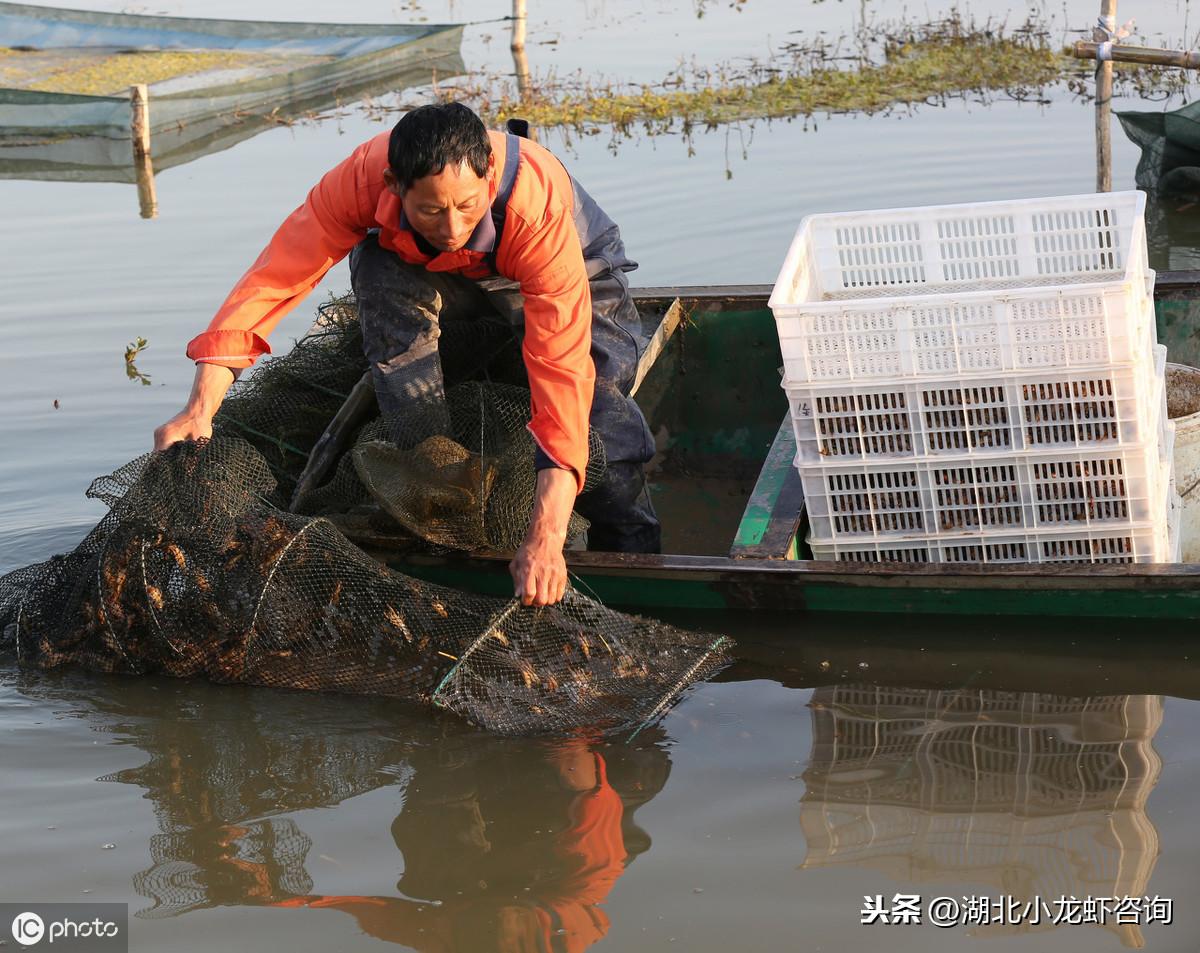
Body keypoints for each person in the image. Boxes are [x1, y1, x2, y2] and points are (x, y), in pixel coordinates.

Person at [154, 102, 660, 608]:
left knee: (601, 415)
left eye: (466, 206)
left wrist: (546, 538)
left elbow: (561, 374)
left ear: (486, 176)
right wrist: (200, 409)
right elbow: (275, 279)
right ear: (394, 185)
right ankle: (434, 492)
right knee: (378, 265)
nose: (452, 225)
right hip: (437, 275)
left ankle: (635, 561)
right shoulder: (358, 182)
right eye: (431, 210)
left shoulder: (535, 208)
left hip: (572, 269)